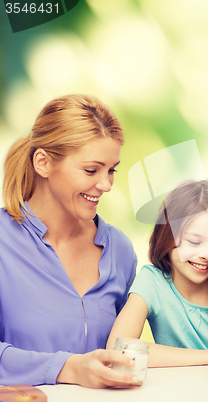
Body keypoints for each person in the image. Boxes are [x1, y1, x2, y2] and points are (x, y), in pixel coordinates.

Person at [0, 95, 138, 388]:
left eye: (111, 170)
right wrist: (68, 368)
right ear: (43, 162)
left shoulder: (120, 251)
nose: (106, 185)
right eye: (91, 170)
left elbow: (126, 348)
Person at [107, 180, 208, 366]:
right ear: (166, 236)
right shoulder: (152, 281)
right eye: (194, 242)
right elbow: (118, 350)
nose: (207, 255)